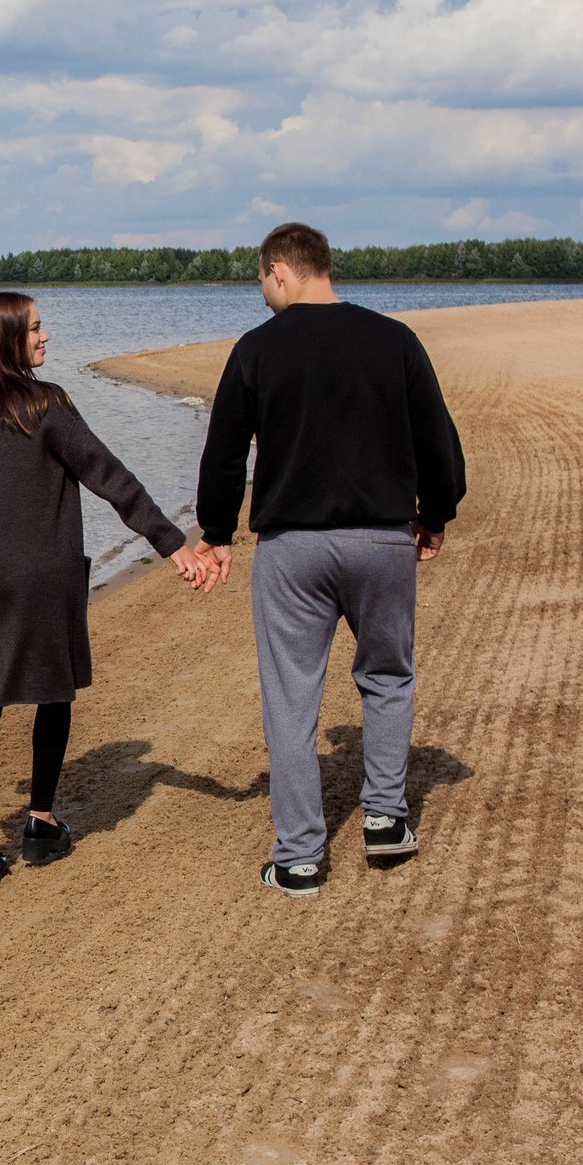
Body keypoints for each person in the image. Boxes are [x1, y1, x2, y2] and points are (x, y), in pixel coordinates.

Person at [190, 222, 466, 897]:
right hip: (380, 538)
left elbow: (226, 451)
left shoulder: (257, 350)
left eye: (262, 280)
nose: (263, 293)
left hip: (292, 547)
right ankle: (384, 819)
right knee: (388, 676)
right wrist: (434, 514)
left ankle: (300, 857)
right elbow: (439, 443)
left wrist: (217, 533)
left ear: (280, 269)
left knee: (291, 699)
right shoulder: (394, 340)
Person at [0, 292, 213, 892]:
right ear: (6, 338)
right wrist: (172, 543)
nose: (45, 337)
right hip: (43, 577)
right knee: (52, 694)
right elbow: (110, 476)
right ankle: (40, 822)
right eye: (35, 328)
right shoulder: (46, 405)